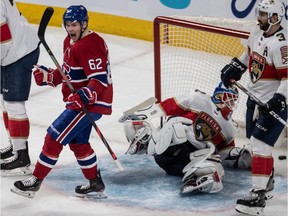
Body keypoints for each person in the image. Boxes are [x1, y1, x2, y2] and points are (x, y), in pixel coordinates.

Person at [10, 5, 113, 198]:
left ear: (84, 24)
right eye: (67, 24)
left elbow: (99, 79)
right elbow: (68, 71)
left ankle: (35, 181)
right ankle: (95, 183)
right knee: (78, 143)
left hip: (89, 104)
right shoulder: (71, 41)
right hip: (80, 102)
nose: (70, 29)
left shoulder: (91, 44)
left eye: (74, 25)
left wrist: (86, 94)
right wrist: (50, 77)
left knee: (53, 136)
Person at [121, 82, 252, 195]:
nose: (231, 102)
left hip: (183, 164)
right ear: (219, 95)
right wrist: (141, 116)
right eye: (229, 97)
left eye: (234, 100)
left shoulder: (230, 127)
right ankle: (144, 140)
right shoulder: (198, 98)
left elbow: (224, 153)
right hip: (165, 152)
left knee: (213, 160)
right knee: (175, 124)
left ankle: (198, 180)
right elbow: (163, 109)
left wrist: (242, 157)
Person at [220, 0, 287, 215]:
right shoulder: (256, 32)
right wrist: (236, 67)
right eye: (260, 12)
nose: (259, 17)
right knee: (255, 142)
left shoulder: (282, 44)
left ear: (276, 17)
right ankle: (266, 183)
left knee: (259, 146)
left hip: (274, 103)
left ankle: (257, 195)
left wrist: (279, 98)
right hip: (255, 98)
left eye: (264, 14)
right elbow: (249, 56)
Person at [0, 0, 40, 176]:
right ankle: (15, 145)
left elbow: (4, 40)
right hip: (14, 49)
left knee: (13, 103)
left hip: (18, 53)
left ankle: (21, 155)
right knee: (4, 100)